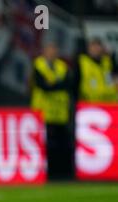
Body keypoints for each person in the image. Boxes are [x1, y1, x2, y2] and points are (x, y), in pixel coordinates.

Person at [30, 42, 73, 180]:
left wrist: (52, 84)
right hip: (43, 113)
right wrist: (56, 84)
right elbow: (43, 86)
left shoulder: (62, 66)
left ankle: (62, 173)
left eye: (54, 49)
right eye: (50, 49)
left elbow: (67, 84)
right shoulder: (38, 65)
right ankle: (46, 173)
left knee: (63, 144)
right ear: (44, 51)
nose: (52, 52)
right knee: (44, 146)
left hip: (60, 113)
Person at [74, 37, 118, 103]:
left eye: (98, 46)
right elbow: (75, 82)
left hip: (109, 102)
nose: (96, 49)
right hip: (89, 103)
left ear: (102, 48)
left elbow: (114, 77)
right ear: (88, 48)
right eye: (93, 46)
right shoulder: (82, 62)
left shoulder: (108, 62)